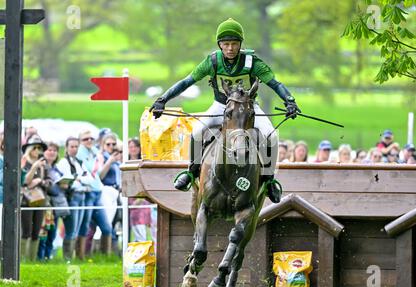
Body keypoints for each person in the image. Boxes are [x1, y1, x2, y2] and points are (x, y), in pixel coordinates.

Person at [150, 18, 301, 204]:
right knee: (197, 132)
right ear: (220, 45)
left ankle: (269, 180)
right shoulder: (212, 62)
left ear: (240, 45)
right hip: (221, 106)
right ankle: (191, 173)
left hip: (248, 107)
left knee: (272, 136)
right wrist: (162, 99)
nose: (230, 48)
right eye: (226, 44)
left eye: (234, 44)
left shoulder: (252, 62)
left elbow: (275, 83)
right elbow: (186, 82)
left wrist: (290, 101)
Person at [57, 136, 94, 260]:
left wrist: (80, 179)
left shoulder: (79, 162)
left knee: (77, 229)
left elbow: (90, 179)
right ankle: (67, 258)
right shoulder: (63, 162)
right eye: (72, 146)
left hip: (82, 197)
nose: (74, 149)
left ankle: (73, 258)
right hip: (72, 197)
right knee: (71, 229)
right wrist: (79, 179)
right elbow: (70, 181)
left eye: (76, 146)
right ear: (66, 148)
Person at [76, 130, 112, 256]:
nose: (89, 141)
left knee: (106, 228)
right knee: (84, 226)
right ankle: (81, 256)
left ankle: (105, 257)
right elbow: (86, 171)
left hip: (97, 192)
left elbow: (98, 173)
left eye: (91, 138)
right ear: (80, 141)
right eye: (85, 139)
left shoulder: (95, 152)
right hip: (87, 193)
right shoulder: (79, 153)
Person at [20, 135, 52, 261]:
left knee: (36, 231)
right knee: (26, 231)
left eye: (40, 148)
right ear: (29, 148)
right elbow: (25, 181)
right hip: (26, 201)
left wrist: (40, 180)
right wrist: (34, 168)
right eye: (35, 147)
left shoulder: (43, 163)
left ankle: (32, 259)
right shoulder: (24, 162)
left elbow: (48, 181)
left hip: (40, 200)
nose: (37, 150)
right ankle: (22, 259)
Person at [94, 133, 122, 252]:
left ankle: (111, 251)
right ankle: (98, 250)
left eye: (113, 144)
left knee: (115, 222)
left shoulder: (116, 158)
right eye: (108, 144)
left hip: (116, 191)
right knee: (106, 222)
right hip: (106, 190)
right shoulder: (102, 157)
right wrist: (109, 161)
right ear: (103, 145)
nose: (111, 146)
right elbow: (100, 176)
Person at [128, 138, 155, 243]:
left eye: (135, 146)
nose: (133, 149)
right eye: (131, 147)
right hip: (131, 197)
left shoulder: (144, 162)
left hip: (143, 198)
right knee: (138, 227)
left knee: (144, 229)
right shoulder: (124, 161)